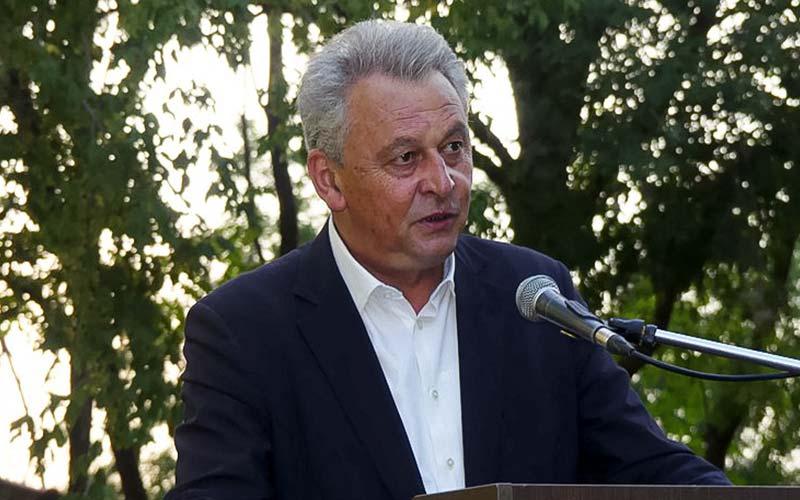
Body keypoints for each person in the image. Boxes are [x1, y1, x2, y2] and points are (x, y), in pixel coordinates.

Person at [166, 20, 729, 500]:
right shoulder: (244, 331)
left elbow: (652, 468)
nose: (443, 181)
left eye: (454, 148)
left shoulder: (536, 296)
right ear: (329, 180)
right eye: (406, 158)